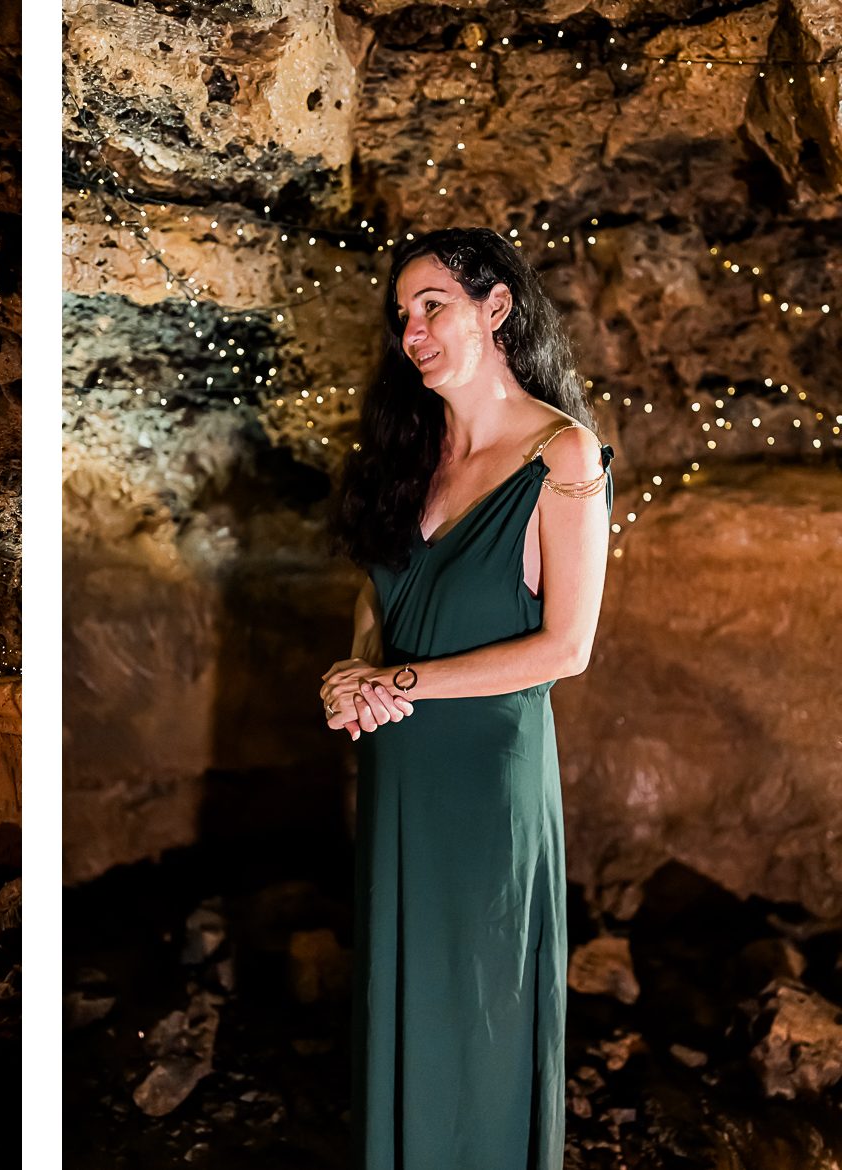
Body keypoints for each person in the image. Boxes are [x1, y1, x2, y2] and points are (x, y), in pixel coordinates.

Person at [322, 227, 615, 1170]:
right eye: (401, 315)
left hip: (488, 788)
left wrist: (394, 682)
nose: (411, 330)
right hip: (399, 780)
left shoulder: (565, 457)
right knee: (399, 1012)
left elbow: (566, 648)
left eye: (433, 305)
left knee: (480, 1022)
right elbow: (377, 591)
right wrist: (352, 671)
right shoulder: (407, 452)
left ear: (497, 309)